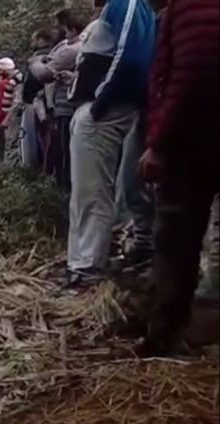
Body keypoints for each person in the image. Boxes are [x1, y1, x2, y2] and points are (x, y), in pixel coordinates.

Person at [136, 0, 219, 356]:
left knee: (176, 238)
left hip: (194, 140)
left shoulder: (192, 8)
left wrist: (158, 142)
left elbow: (189, 75)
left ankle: (166, 335)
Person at [63, 0, 155, 289]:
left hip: (105, 110)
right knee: (88, 191)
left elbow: (131, 57)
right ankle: (81, 262)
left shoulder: (126, 3)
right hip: (99, 109)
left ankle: (87, 267)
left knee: (93, 190)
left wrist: (100, 101)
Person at [29, 9, 86, 189]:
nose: (57, 30)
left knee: (63, 153)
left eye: (61, 27)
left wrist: (35, 62)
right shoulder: (71, 45)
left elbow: (43, 74)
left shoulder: (72, 49)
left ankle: (62, 193)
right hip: (63, 105)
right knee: (61, 151)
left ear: (72, 28)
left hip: (65, 107)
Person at [21, 29, 56, 171]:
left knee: (44, 137)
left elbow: (32, 81)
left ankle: (46, 170)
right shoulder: (55, 54)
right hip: (52, 101)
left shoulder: (39, 58)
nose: (33, 43)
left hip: (42, 101)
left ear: (42, 40)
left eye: (35, 39)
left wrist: (28, 97)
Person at [0, 57, 22, 163]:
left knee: (11, 142)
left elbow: (17, 102)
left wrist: (6, 118)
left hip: (13, 116)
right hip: (8, 115)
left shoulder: (15, 80)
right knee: (5, 143)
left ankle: (11, 166)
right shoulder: (8, 80)